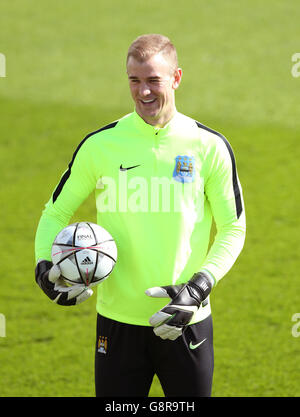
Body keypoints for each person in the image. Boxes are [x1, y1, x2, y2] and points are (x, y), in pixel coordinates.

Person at [34, 34, 246, 397]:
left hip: (185, 318)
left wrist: (198, 288)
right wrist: (43, 268)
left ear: (176, 78)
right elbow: (55, 212)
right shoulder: (100, 145)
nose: (143, 92)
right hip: (116, 325)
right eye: (134, 81)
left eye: (153, 80)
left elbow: (233, 228)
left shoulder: (209, 146)